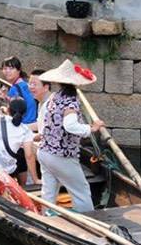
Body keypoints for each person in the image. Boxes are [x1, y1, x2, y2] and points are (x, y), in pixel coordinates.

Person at [37, 59, 106, 213]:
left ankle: (46, 220)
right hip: (60, 155)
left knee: (49, 190)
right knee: (81, 191)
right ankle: (88, 221)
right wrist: (92, 128)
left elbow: (44, 120)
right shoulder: (71, 101)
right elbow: (71, 126)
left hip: (44, 152)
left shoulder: (54, 97)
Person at [0, 56, 38, 184]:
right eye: (5, 68)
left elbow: (14, 112)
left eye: (11, 68)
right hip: (34, 123)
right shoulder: (26, 85)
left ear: (18, 70)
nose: (7, 71)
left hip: (23, 125)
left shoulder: (14, 89)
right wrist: (7, 98)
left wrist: (4, 101)